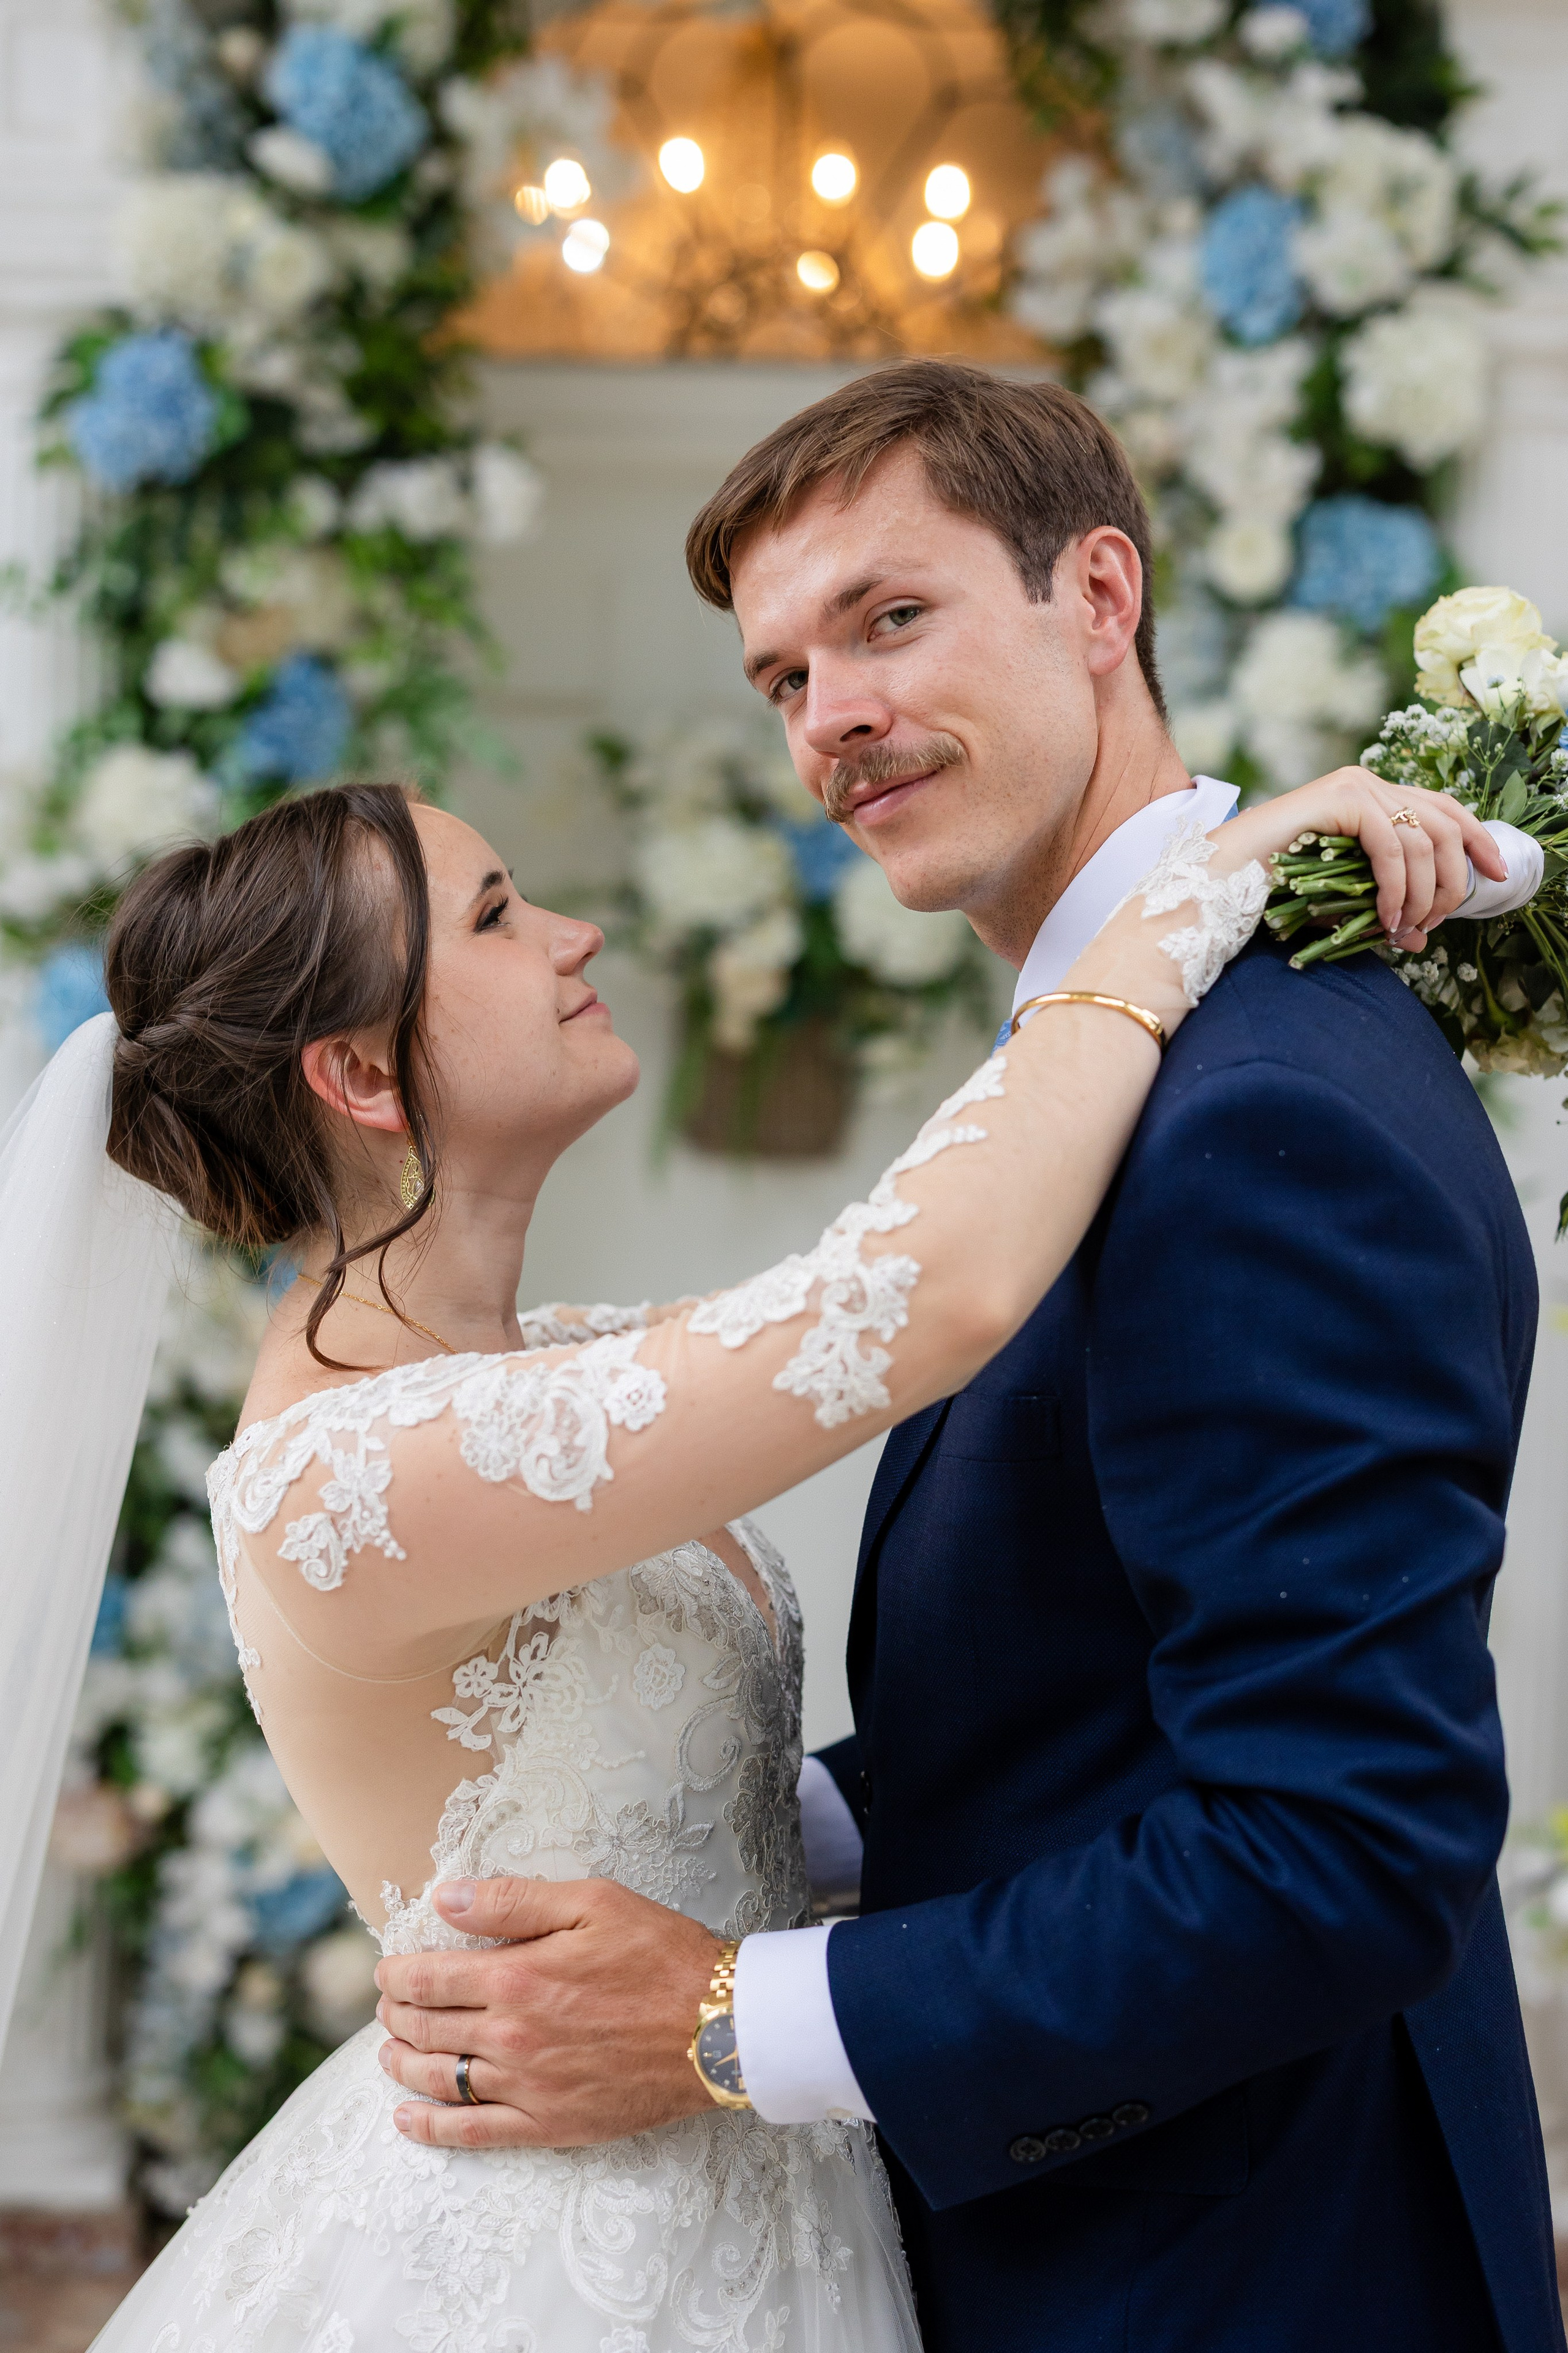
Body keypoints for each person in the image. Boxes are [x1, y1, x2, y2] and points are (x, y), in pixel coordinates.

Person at [374, 364, 1564, 2353]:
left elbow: (1343, 1845)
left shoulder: (1266, 1105)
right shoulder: (1128, 1055)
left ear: (1099, 598)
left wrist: (712, 2020)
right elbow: (1089, 1702)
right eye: (780, 676)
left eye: (888, 618)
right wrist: (715, 1820)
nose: (826, 712)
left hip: (1255, 2269)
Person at [21, 747, 1457, 2350]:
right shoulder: (350, 1472)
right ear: (360, 1075)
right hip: (559, 2245)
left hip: (758, 2165)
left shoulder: (550, 1369)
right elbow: (926, 1295)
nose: (573, 936)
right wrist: (1196, 885)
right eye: (496, 915)